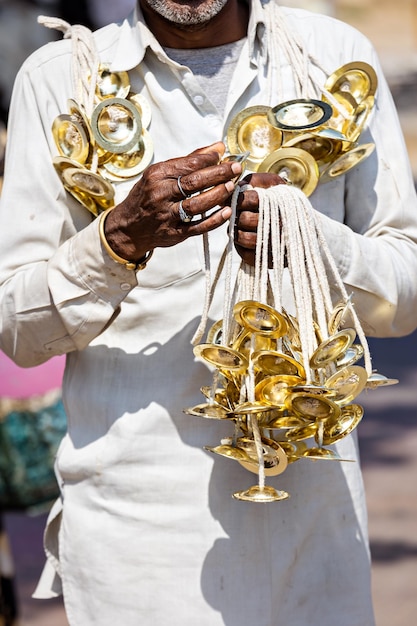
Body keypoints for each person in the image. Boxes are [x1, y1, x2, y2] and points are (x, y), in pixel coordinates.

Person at [0, 1, 417, 624]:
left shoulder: (331, 57)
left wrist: (308, 240)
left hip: (316, 525)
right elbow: (18, 328)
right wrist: (119, 240)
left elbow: (404, 293)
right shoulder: (60, 79)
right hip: (137, 537)